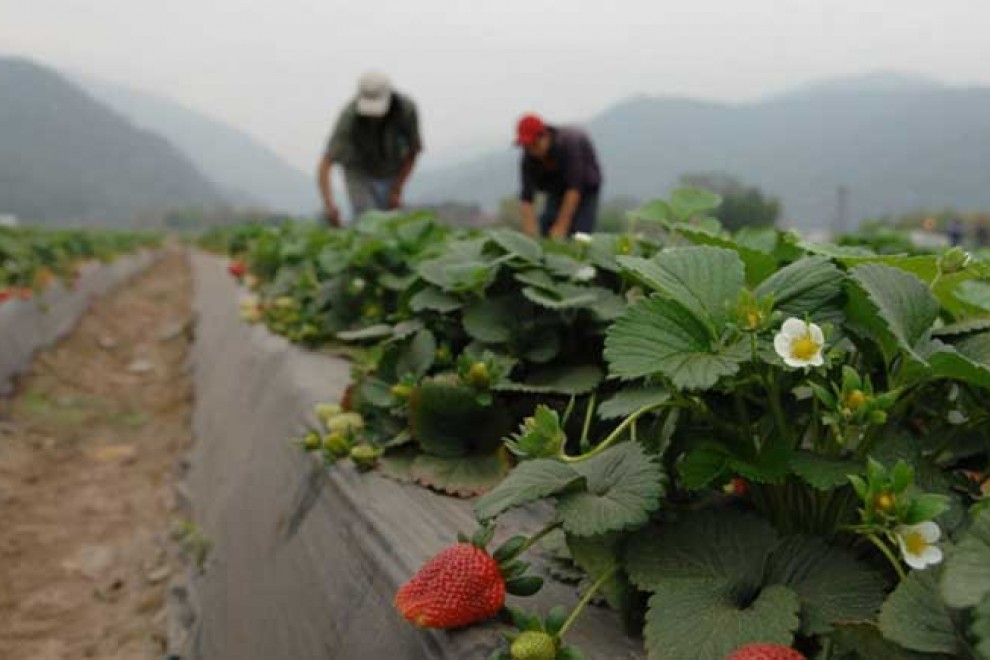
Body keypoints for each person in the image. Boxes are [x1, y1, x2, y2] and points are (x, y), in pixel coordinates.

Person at [317, 72, 422, 227]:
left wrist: (397, 189)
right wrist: (329, 205)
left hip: (391, 167)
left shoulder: (406, 110)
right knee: (366, 217)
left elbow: (413, 151)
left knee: (391, 220)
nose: (374, 117)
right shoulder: (349, 116)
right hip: (357, 169)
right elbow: (326, 163)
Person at [515, 113, 602, 238]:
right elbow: (527, 199)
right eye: (527, 147)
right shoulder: (528, 157)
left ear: (544, 136)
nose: (531, 151)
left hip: (585, 190)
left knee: (579, 234)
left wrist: (561, 227)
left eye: (534, 145)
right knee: (546, 227)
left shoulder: (569, 143)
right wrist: (530, 236)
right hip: (556, 190)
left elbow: (574, 189)